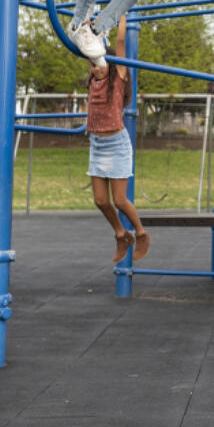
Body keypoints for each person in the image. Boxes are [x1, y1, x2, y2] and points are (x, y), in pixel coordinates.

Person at [86, 41, 150, 263]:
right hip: (97, 144)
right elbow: (86, 48)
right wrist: (88, 29)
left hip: (117, 144)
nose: (96, 68)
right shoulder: (93, 81)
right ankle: (122, 234)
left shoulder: (118, 79)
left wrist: (121, 13)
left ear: (112, 66)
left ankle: (141, 233)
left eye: (101, 64)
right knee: (100, 200)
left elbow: (121, 43)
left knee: (120, 200)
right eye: (93, 65)